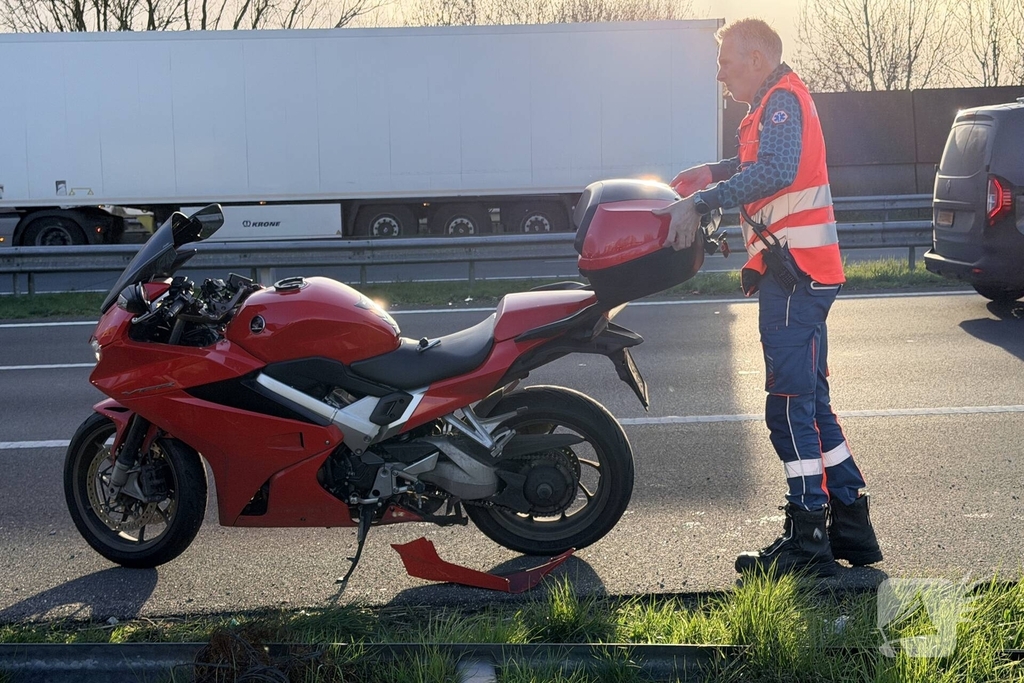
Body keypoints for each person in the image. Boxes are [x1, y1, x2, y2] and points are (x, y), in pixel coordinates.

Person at [652, 18, 882, 576]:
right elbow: (762, 163)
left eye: (726, 61)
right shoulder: (774, 104)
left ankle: (808, 541)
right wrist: (713, 172)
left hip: (793, 276)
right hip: (803, 273)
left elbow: (776, 169)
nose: (720, 73)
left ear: (757, 58)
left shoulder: (781, 101)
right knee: (813, 404)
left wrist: (702, 201)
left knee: (788, 408)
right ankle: (850, 525)